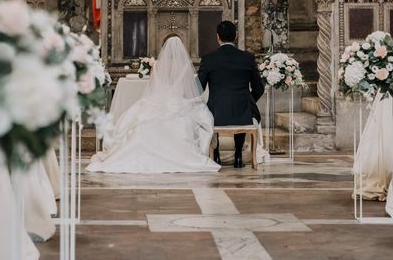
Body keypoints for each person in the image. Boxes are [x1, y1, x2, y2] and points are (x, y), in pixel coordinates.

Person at [86, 37, 221, 174]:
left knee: (136, 125)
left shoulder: (157, 65)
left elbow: (152, 87)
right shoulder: (185, 66)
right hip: (178, 104)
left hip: (156, 103)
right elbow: (187, 89)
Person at [197, 21, 264, 168]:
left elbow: (198, 88)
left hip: (217, 112)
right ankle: (238, 155)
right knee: (242, 109)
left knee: (206, 113)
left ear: (218, 37)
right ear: (235, 36)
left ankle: (217, 156)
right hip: (243, 112)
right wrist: (248, 100)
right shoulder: (247, 58)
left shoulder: (209, 58)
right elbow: (259, 88)